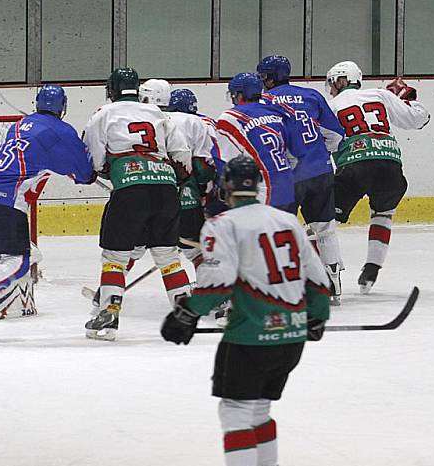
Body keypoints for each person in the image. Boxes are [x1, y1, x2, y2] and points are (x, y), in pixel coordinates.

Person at [160, 156, 331, 466]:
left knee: (235, 411)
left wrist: (186, 313)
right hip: (290, 337)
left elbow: (218, 280)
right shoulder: (287, 221)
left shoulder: (221, 224)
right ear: (258, 186)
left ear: (225, 187)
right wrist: (317, 316)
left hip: (250, 337)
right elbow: (317, 278)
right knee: (259, 411)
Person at [0, 84, 94, 338]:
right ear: (63, 107)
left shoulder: (19, 125)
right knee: (19, 261)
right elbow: (85, 173)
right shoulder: (61, 131)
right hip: (5, 200)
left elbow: (36, 157)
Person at [82, 67, 191, 341]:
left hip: (130, 190)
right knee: (168, 256)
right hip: (166, 187)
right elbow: (182, 154)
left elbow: (94, 155)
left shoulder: (103, 114)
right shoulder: (157, 114)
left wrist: (101, 170)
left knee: (115, 258)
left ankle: (107, 317)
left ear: (111, 90)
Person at [325, 60, 430, 293]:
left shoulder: (330, 105)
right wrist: (406, 99)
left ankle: (326, 276)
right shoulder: (380, 95)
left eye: (333, 82)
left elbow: (326, 140)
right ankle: (371, 269)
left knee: (323, 221)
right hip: (390, 165)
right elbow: (420, 118)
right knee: (383, 214)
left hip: (353, 167)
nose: (331, 88)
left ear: (342, 80)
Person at [258, 55, 347, 304]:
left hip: (286, 176)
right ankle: (333, 284)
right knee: (325, 228)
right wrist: (317, 154)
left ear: (269, 77)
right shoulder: (312, 96)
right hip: (320, 170)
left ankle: (282, 286)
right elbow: (336, 135)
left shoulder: (265, 100)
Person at [213, 73, 309, 213]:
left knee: (257, 232)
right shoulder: (277, 112)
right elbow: (295, 154)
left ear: (239, 95)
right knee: (282, 231)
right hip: (287, 184)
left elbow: (223, 161)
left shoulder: (230, 118)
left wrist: (223, 187)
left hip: (260, 188)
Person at [167, 88, 217, 267]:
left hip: (155, 189)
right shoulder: (203, 122)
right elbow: (203, 166)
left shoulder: (158, 119)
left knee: (138, 246)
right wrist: (203, 189)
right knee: (194, 244)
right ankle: (211, 284)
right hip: (192, 193)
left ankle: (113, 281)